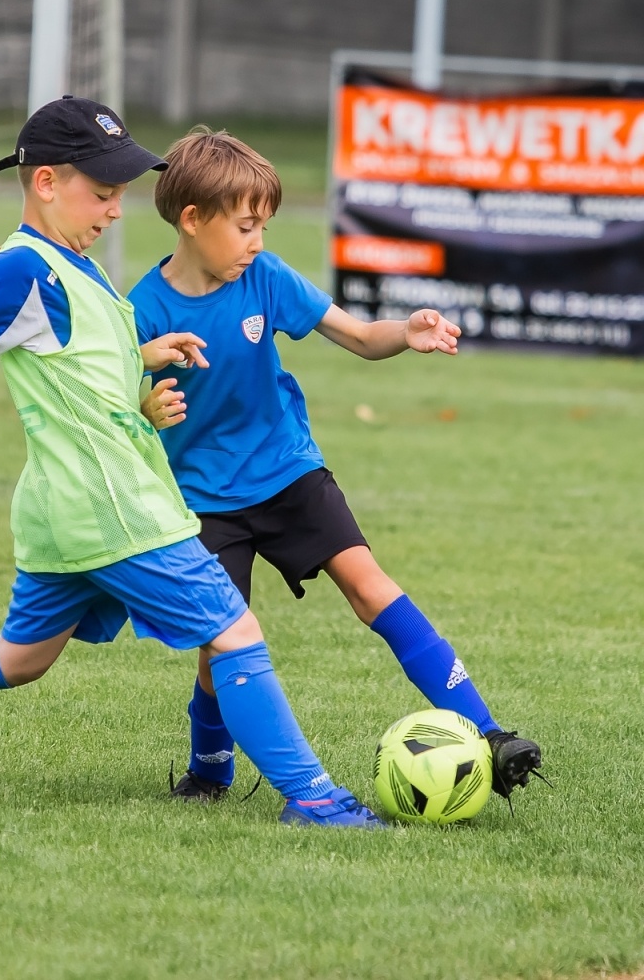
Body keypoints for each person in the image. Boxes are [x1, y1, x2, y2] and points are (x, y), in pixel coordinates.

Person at [0, 98, 383, 828]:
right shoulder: (21, 272)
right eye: (101, 195)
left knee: (20, 658)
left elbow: (85, 365)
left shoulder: (79, 269)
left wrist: (147, 360)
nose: (116, 211)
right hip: (115, 508)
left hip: (67, 511)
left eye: (120, 194)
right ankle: (317, 800)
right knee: (235, 631)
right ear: (46, 184)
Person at [129, 128, 544, 804]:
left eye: (264, 225)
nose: (258, 240)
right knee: (218, 644)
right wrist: (147, 409)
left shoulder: (264, 277)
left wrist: (403, 335)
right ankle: (210, 769)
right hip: (203, 498)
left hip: (289, 472)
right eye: (245, 226)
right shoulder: (144, 308)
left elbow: (354, 334)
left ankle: (489, 732)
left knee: (369, 584)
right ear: (192, 220)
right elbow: (120, 402)